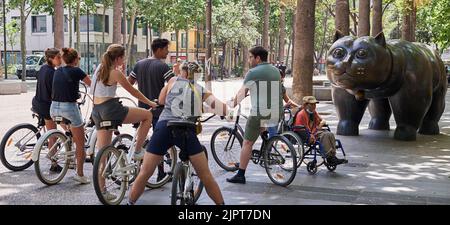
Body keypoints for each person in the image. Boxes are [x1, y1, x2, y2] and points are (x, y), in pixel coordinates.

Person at [128, 62, 229, 205]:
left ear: (183, 72)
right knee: (205, 175)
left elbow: (161, 100)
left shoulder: (172, 81)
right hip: (186, 130)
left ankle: (130, 202)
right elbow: (222, 109)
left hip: (164, 127)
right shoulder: (201, 90)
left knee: (145, 172)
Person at [91, 44, 157, 200]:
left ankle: (103, 191)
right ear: (119, 58)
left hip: (97, 111)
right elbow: (133, 91)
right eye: (124, 57)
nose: (125, 59)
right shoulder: (116, 73)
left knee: (103, 153)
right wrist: (150, 103)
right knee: (147, 116)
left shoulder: (99, 68)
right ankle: (139, 149)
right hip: (111, 109)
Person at [226, 46, 283, 184]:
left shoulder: (253, 72)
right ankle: (266, 143)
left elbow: (241, 93)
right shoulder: (276, 71)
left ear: (258, 58)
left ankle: (241, 174)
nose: (249, 60)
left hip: (260, 113)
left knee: (247, 143)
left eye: (251, 57)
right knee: (262, 124)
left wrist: (232, 105)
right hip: (277, 112)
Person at [127, 38, 176, 181]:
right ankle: (161, 172)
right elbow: (173, 86)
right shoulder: (163, 67)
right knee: (159, 141)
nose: (167, 52)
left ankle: (138, 166)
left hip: (141, 109)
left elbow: (129, 83)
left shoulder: (139, 64)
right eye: (166, 49)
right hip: (158, 110)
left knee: (141, 141)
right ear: (159, 49)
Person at [50, 47, 92, 184]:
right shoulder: (76, 70)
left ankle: (68, 150)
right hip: (68, 107)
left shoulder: (58, 71)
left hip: (53, 108)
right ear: (75, 60)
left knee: (72, 131)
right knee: (81, 143)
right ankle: (79, 174)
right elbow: (92, 84)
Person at [31, 48, 62, 172]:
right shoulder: (53, 73)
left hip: (37, 102)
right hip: (46, 106)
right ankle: (53, 163)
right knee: (53, 134)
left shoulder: (43, 68)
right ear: (51, 58)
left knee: (53, 131)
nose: (60, 59)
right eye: (58, 57)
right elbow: (55, 93)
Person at [294, 96, 347, 166]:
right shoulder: (301, 114)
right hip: (304, 134)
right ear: (305, 105)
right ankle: (330, 158)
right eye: (312, 104)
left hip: (314, 131)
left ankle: (332, 156)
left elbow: (322, 120)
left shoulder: (313, 112)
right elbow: (301, 129)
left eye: (315, 104)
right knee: (325, 135)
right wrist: (315, 130)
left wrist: (321, 124)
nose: (314, 106)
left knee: (329, 134)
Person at [267, 68, 300, 138]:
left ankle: (267, 148)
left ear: (282, 77)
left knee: (272, 137)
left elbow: (288, 100)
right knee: (272, 136)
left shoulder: (281, 87)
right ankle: (267, 148)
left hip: (278, 116)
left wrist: (299, 107)